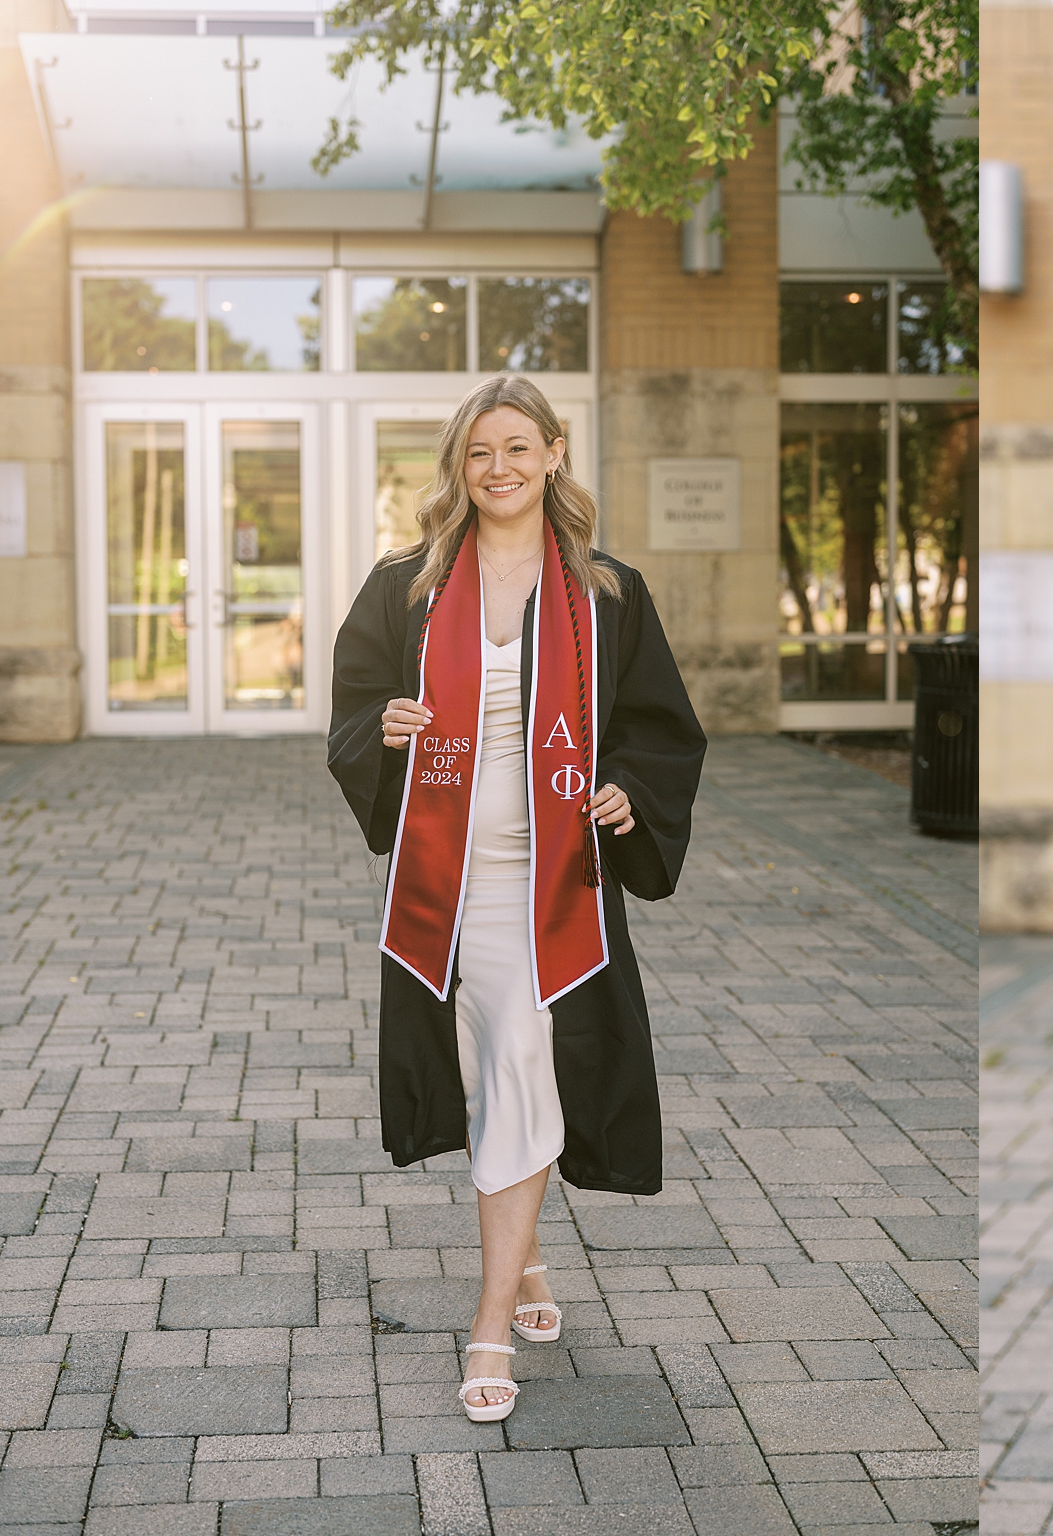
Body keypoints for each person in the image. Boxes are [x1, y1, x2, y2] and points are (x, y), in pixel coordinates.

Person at [327, 375, 706, 1422]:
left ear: (552, 453)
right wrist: (386, 734)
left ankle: (488, 1320)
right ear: (459, 466)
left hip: (552, 894)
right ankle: (532, 1266)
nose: (496, 469)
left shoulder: (606, 593)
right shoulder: (406, 587)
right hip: (446, 885)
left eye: (514, 448)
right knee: (488, 1073)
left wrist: (628, 789)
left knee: (521, 1066)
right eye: (476, 453)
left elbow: (658, 727)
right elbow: (355, 710)